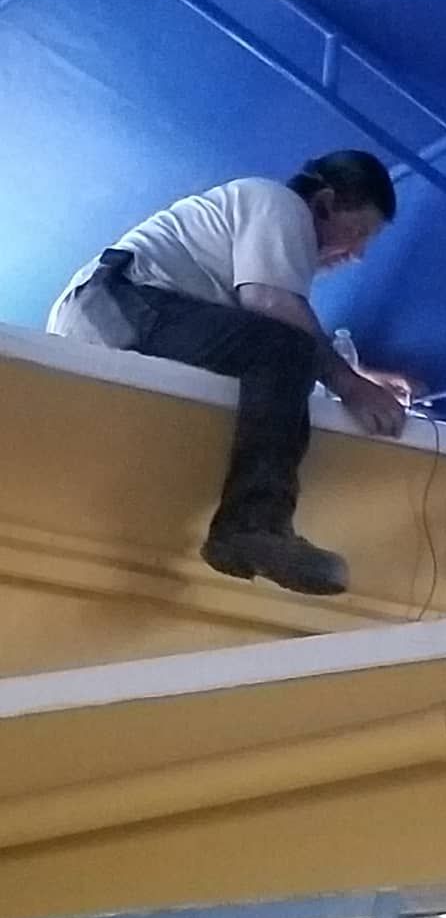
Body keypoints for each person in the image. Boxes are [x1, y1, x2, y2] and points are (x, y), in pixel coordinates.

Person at [48, 150, 419, 597]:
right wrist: (350, 386)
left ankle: (200, 530)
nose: (357, 253)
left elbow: (268, 338)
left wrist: (355, 374)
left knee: (277, 361)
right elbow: (272, 307)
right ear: (323, 203)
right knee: (284, 347)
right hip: (117, 303)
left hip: (113, 313)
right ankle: (253, 524)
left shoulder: (251, 232)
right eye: (358, 232)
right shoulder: (280, 204)